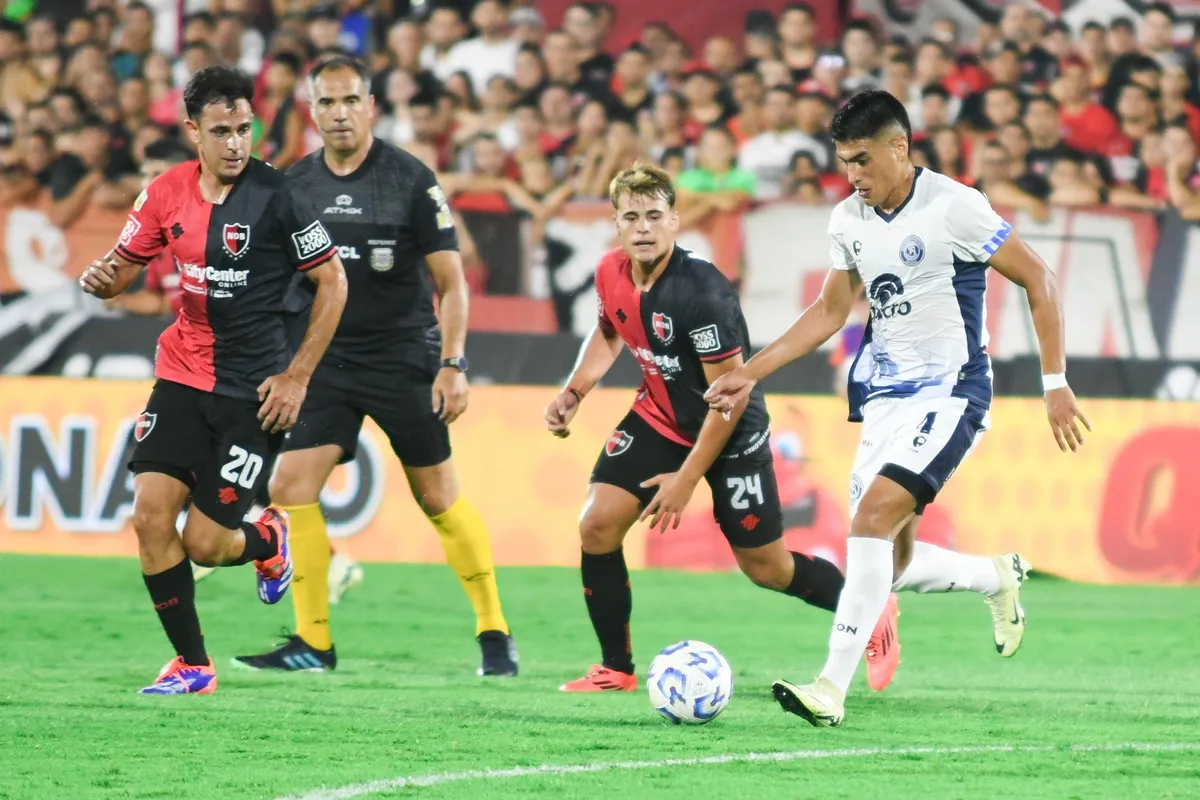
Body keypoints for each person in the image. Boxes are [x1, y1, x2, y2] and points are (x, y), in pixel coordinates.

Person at [705, 90, 1090, 727]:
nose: (853, 175)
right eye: (845, 163)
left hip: (952, 391)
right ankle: (995, 577)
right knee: (892, 562)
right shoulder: (847, 220)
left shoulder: (956, 206)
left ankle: (829, 689)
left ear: (899, 146)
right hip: (883, 399)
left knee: (871, 520)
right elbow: (830, 312)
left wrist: (1055, 382)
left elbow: (1039, 279)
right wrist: (748, 373)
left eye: (862, 159)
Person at [544, 162, 900, 694]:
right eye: (631, 217)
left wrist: (686, 480)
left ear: (675, 222)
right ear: (616, 224)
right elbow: (607, 330)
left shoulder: (703, 293)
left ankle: (873, 608)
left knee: (767, 569)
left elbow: (727, 399)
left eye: (654, 216)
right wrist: (575, 390)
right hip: (660, 417)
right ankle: (615, 668)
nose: (643, 227)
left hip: (731, 432)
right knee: (596, 525)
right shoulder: (609, 273)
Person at [233, 56, 517, 677]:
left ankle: (494, 631)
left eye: (350, 101)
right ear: (312, 111)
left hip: (402, 355)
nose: (339, 113)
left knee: (437, 496)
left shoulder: (411, 180)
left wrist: (453, 362)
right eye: (327, 103)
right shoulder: (295, 186)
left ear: (370, 107)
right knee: (288, 487)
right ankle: (313, 643)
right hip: (326, 358)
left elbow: (453, 283)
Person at [77, 66, 348, 695]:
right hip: (180, 374)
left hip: (255, 393)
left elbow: (333, 281)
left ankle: (266, 538)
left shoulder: (282, 197)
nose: (235, 143)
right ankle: (195, 666)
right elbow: (123, 271)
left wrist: (297, 377)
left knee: (204, 543)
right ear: (193, 130)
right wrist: (103, 279)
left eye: (244, 129)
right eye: (221, 130)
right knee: (149, 519)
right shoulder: (165, 193)